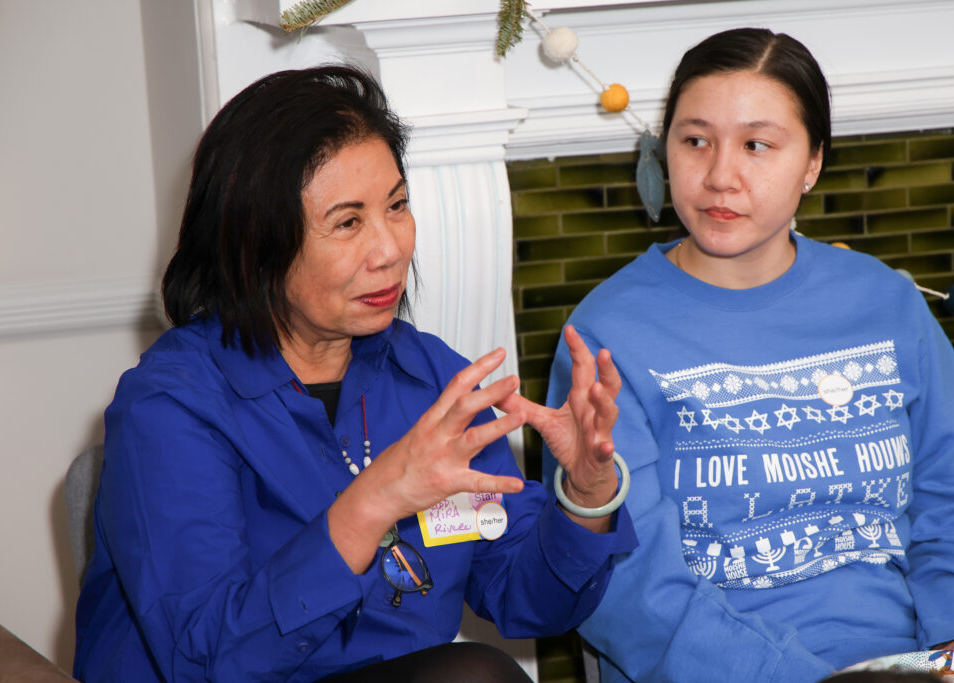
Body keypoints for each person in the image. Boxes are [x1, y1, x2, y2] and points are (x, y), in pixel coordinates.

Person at [73, 65, 636, 682]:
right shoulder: (171, 407)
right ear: (253, 242)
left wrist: (584, 496)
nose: (390, 248)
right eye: (348, 222)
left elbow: (526, 598)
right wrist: (375, 500)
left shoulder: (428, 378)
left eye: (397, 206)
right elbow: (205, 661)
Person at [543, 27, 954, 682]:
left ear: (812, 164)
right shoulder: (606, 333)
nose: (718, 176)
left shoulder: (886, 302)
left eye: (757, 145)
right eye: (694, 140)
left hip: (912, 662)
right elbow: (629, 591)